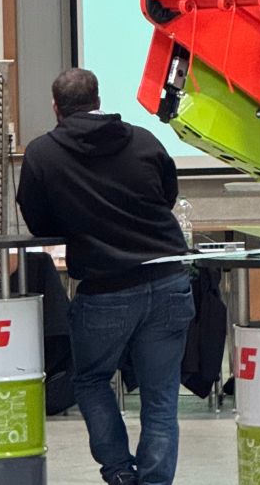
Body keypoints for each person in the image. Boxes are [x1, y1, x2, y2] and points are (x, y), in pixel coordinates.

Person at [17, 68, 193, 485]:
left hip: (105, 289)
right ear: (98, 101)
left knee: (92, 380)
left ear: (56, 107)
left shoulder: (42, 154)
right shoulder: (143, 140)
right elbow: (168, 195)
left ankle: (118, 472)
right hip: (168, 278)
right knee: (161, 397)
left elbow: (39, 222)